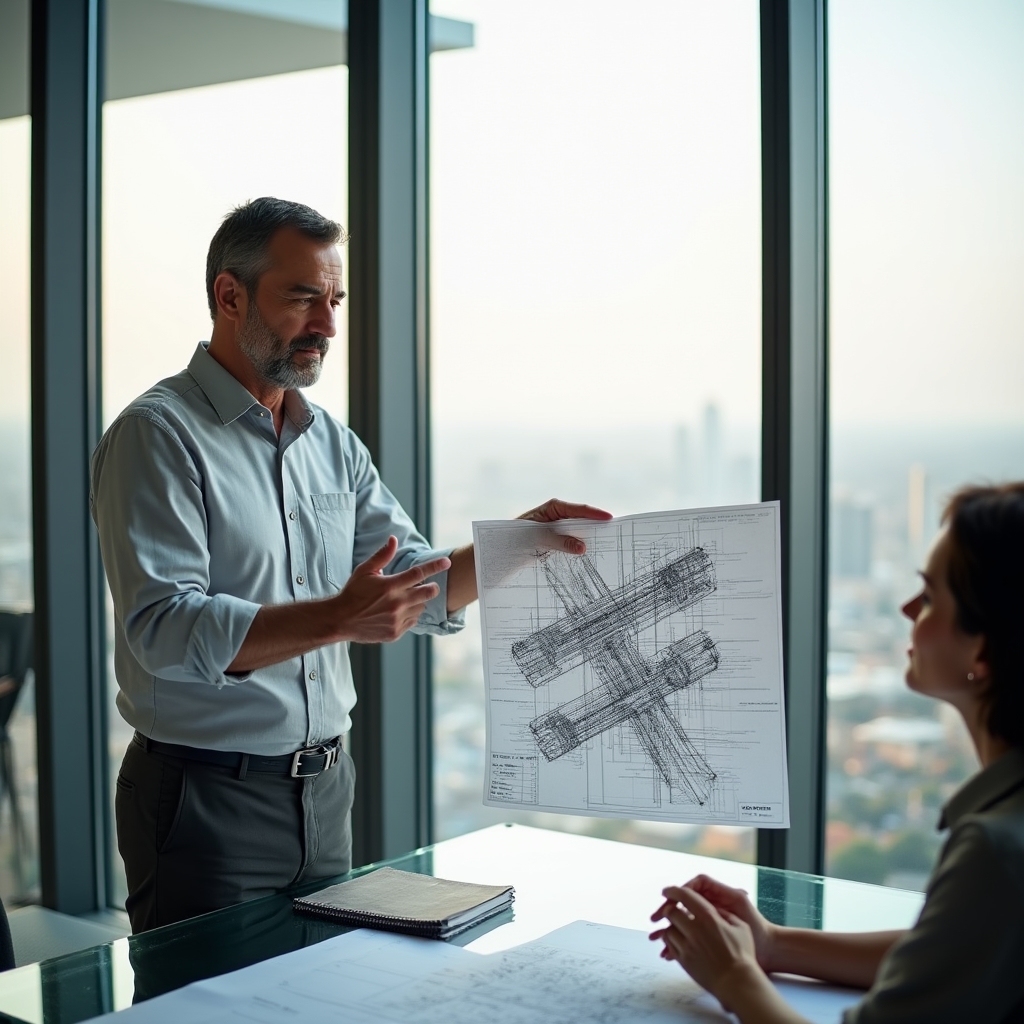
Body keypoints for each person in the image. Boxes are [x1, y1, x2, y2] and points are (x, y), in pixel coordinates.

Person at [91, 197, 611, 933]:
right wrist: (339, 616)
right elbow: (164, 630)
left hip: (327, 791)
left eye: (334, 300)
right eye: (303, 298)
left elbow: (416, 589)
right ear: (229, 295)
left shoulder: (330, 442)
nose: (328, 326)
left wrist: (513, 544)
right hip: (204, 797)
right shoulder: (158, 436)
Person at [651, 482, 1024, 1023]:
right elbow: (953, 950)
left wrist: (734, 977)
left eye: (931, 596)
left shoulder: (996, 852)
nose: (906, 608)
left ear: (983, 649)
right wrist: (772, 944)